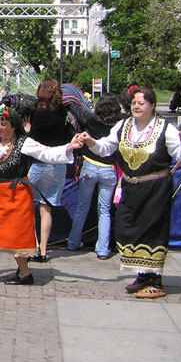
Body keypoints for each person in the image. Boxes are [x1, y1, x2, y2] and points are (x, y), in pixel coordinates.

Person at [0, 103, 81, 285]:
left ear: (13, 124)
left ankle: (25, 274)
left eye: (4, 124)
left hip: (17, 194)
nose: (0, 127)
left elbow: (47, 153)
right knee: (5, 235)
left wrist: (69, 146)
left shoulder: (24, 142)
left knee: (18, 235)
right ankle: (22, 269)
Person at [78, 88, 181, 298]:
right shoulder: (123, 125)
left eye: (141, 103)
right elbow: (106, 148)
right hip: (130, 187)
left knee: (152, 231)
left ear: (152, 106)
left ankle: (155, 281)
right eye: (134, 103)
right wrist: (90, 141)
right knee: (127, 229)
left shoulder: (165, 128)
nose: (136, 107)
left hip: (155, 189)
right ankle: (143, 276)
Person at [66, 94, 122, 258]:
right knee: (104, 211)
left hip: (89, 167)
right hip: (109, 170)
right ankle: (103, 249)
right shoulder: (120, 125)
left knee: (82, 207)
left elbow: (73, 107)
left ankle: (73, 242)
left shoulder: (91, 119)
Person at [27, 77, 70, 262]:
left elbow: (33, 138)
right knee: (47, 208)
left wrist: (27, 129)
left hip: (37, 163)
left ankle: (32, 247)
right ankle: (44, 251)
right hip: (57, 166)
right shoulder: (63, 112)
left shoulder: (37, 112)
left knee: (28, 207)